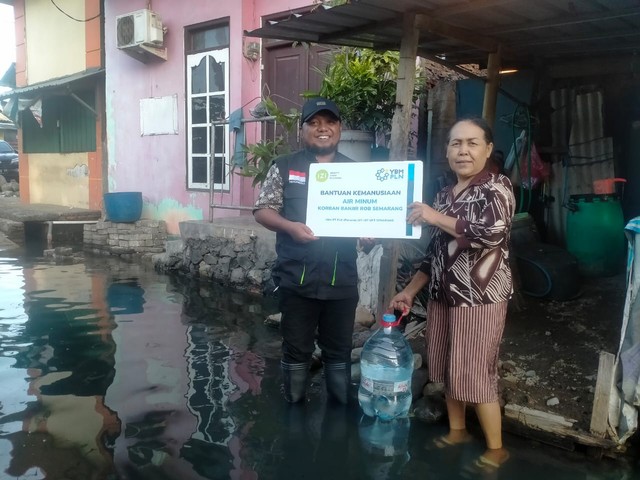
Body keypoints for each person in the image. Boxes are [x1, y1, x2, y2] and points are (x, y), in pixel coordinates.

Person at [390, 117, 515, 471]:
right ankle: (458, 430)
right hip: (444, 296)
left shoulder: (496, 188)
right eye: (456, 143)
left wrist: (433, 216)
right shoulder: (445, 195)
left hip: (481, 297)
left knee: (476, 369)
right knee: (447, 364)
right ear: (446, 150)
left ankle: (496, 449)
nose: (463, 151)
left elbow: (490, 234)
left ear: (488, 149)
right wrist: (410, 291)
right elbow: (434, 253)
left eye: (472, 143)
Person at [253, 97, 359, 405]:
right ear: (302, 130)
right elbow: (262, 210)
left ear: (339, 128)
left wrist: (369, 234)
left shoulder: (356, 172)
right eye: (314, 123)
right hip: (296, 281)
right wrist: (290, 226)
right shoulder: (284, 166)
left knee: (339, 352)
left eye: (330, 122)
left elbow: (366, 218)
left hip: (342, 282)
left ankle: (338, 415)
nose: (322, 129)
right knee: (296, 351)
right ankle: (294, 412)